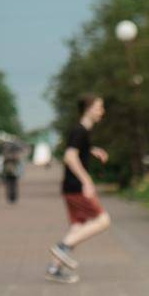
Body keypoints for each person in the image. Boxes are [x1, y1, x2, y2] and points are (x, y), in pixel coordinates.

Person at [47, 93, 112, 283]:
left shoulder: (82, 131)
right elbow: (69, 156)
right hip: (76, 187)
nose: (102, 111)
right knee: (103, 220)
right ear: (89, 108)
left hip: (70, 187)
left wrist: (92, 150)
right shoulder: (80, 130)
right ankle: (61, 248)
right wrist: (87, 181)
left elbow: (76, 149)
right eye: (99, 107)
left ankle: (54, 268)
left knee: (78, 228)